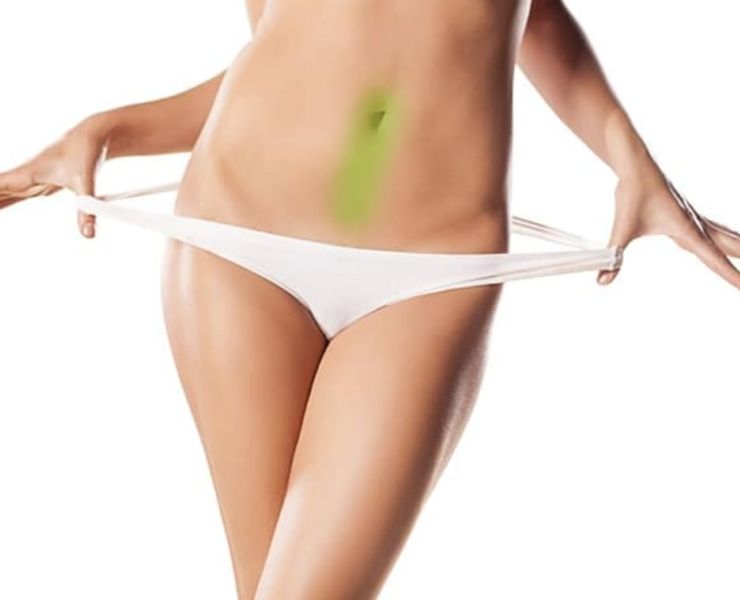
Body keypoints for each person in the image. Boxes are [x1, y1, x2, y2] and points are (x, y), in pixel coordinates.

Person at [1, 1, 738, 598]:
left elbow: (530, 15)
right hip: (239, 236)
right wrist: (108, 130)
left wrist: (630, 158)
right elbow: (299, 48)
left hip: (428, 273)